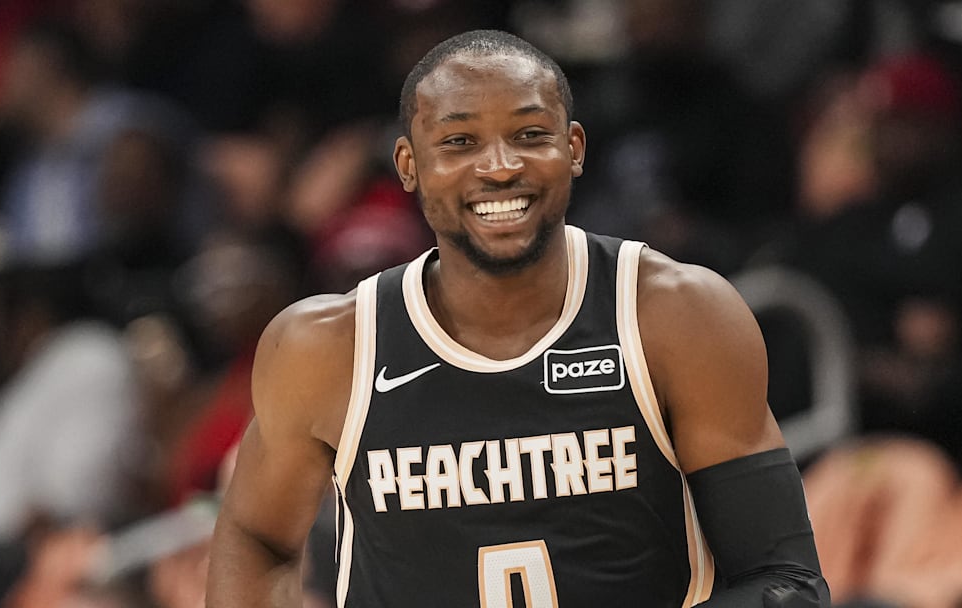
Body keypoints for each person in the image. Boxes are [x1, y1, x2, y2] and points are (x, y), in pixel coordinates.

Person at [207, 29, 829, 607]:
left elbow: (785, 579)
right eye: (459, 142)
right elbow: (257, 540)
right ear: (408, 165)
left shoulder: (675, 314)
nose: (500, 166)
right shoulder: (326, 346)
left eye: (531, 135)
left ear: (574, 148)